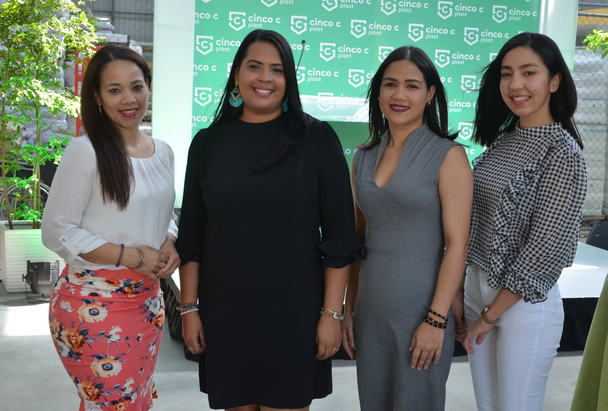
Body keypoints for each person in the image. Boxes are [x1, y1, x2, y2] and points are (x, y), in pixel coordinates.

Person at [175, 29, 363, 411]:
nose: (264, 78)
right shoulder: (208, 144)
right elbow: (192, 235)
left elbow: (341, 238)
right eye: (254, 67)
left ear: (288, 80)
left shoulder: (316, 139)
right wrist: (189, 309)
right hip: (225, 311)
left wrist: (332, 314)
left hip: (295, 313)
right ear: (236, 75)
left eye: (276, 70)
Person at [42, 45, 179, 410]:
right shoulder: (85, 151)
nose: (128, 99)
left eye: (136, 86)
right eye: (114, 90)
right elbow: (56, 230)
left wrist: (170, 241)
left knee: (135, 403)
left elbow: (164, 214)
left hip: (148, 302)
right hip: (92, 303)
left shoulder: (163, 151)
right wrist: (130, 255)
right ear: (98, 98)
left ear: (149, 87)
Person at [459, 32, 587, 411]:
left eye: (529, 73)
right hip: (476, 292)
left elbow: (546, 248)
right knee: (488, 405)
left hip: (523, 303)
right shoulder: (504, 140)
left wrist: (488, 315)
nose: (515, 85)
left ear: (554, 81)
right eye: (506, 73)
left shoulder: (563, 153)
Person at [341, 46, 473, 411]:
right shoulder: (363, 156)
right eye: (390, 84)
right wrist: (349, 310)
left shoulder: (448, 156)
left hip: (422, 315)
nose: (399, 95)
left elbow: (457, 245)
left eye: (412, 86)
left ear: (430, 94)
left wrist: (435, 319)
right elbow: (359, 240)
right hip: (371, 314)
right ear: (378, 92)